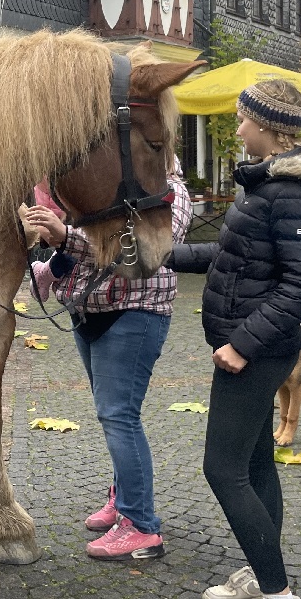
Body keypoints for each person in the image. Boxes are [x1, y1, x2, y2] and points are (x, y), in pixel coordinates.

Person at [169, 80, 301, 599]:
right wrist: (158, 257)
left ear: (267, 128)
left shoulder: (292, 194)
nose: (237, 127)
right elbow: (230, 256)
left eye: (242, 119)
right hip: (249, 348)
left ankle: (275, 591)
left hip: (256, 353)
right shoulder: (266, 186)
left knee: (222, 469)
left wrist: (242, 345)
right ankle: (263, 576)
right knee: (255, 463)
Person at [24, 163, 192, 561]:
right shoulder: (109, 184)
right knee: (112, 415)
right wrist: (55, 257)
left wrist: (66, 236)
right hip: (89, 313)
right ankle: (124, 500)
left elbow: (142, 249)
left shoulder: (171, 191)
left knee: (120, 416)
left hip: (136, 312)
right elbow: (90, 250)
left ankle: (140, 525)